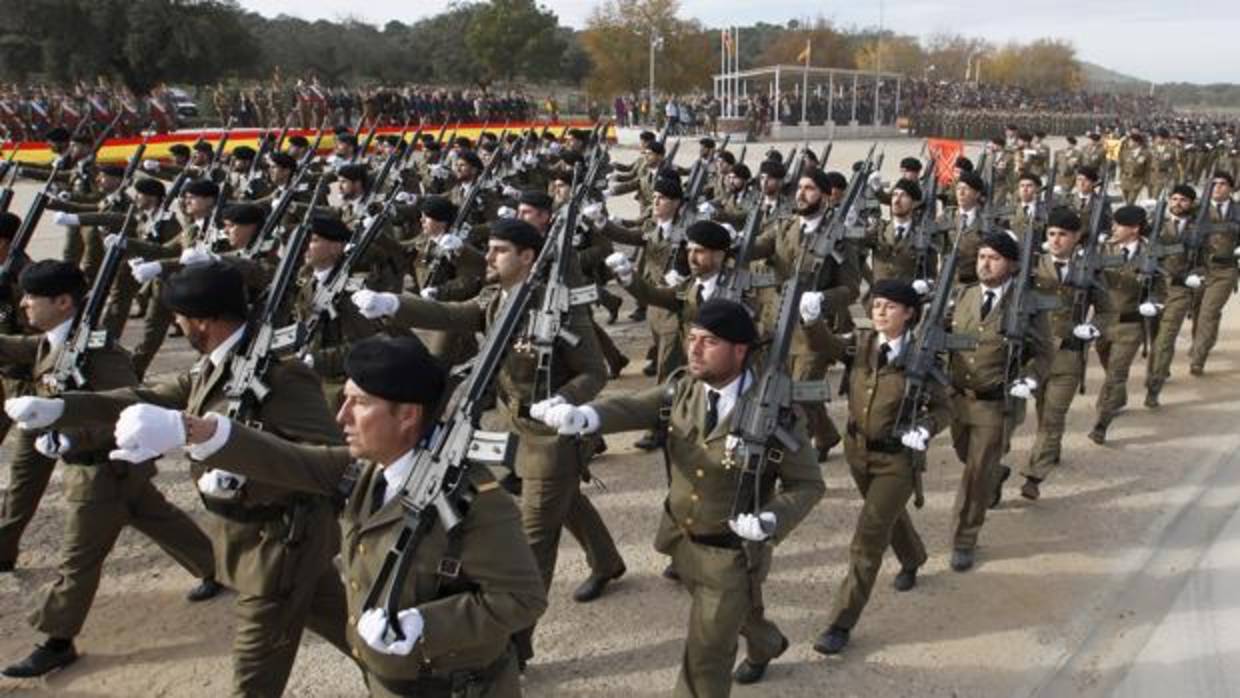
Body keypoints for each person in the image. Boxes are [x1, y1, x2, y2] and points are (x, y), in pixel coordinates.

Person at [109, 334, 548, 697]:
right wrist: (194, 430)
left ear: (408, 415)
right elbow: (292, 460)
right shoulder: (373, 470)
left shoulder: (474, 500)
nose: (341, 415)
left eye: (359, 403)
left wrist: (422, 624)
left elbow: (523, 598)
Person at [8, 261, 352, 696]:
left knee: (253, 674)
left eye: (180, 317)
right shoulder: (220, 362)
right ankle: (419, 682)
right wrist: (63, 409)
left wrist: (244, 476)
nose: (175, 323)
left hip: (281, 545)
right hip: (259, 541)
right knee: (350, 631)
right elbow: (147, 395)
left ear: (203, 322)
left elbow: (334, 464)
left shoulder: (282, 375)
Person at [352, 218, 610, 667]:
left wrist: (565, 400)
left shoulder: (561, 309)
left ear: (528, 257)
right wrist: (395, 303)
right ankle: (607, 560)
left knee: (534, 540)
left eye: (499, 250)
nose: (488, 257)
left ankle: (517, 648)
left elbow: (596, 371)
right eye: (488, 249)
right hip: (510, 430)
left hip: (550, 437)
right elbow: (454, 314)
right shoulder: (499, 299)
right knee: (560, 502)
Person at [537, 299, 824, 696]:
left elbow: (809, 485)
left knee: (705, 658)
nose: (694, 348)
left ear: (740, 350)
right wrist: (587, 417)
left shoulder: (775, 413)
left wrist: (771, 520)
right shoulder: (682, 388)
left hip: (732, 553)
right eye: (692, 338)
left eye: (709, 341)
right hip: (682, 541)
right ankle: (767, 643)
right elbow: (635, 406)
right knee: (735, 612)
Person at [0, 260, 218, 678]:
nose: (23, 303)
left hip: (102, 470)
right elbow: (24, 349)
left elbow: (129, 408)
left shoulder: (100, 353)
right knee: (159, 518)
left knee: (77, 559)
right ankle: (218, 566)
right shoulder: (55, 338)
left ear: (63, 302)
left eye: (32, 297)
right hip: (115, 475)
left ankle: (57, 640)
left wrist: (71, 438)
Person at [799, 279, 948, 656]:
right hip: (857, 451)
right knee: (886, 516)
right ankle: (913, 557)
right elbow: (824, 345)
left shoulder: (923, 357)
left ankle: (839, 623)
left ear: (910, 313)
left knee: (868, 537)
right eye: (877, 305)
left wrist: (926, 428)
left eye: (890, 307)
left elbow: (947, 407)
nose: (880, 312)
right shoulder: (862, 344)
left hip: (897, 458)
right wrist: (811, 320)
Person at [946, 232, 1051, 571]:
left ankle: (964, 539)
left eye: (993, 258)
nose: (985, 264)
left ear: (1012, 264)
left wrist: (1030, 377)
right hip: (959, 398)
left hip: (997, 402)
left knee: (975, 473)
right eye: (981, 257)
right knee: (967, 456)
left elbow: (1044, 352)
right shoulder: (963, 295)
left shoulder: (1027, 305)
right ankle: (997, 473)